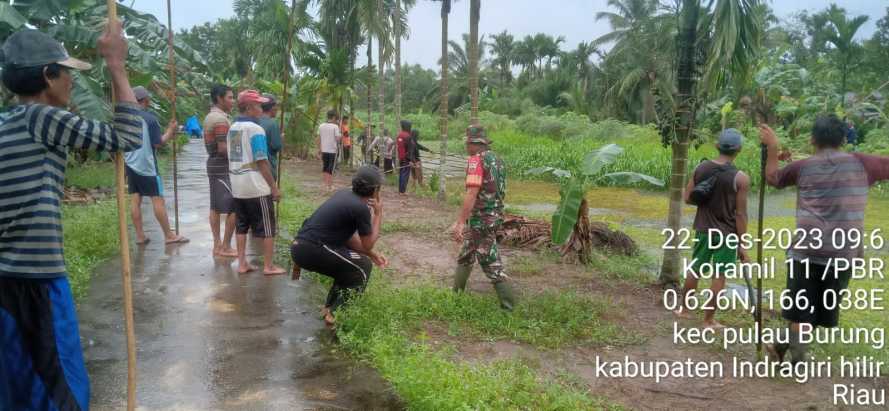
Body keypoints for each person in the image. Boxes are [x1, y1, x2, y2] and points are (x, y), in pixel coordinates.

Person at [0, 25, 143, 411]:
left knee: (17, 386)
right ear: (48, 76)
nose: (72, 83)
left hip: (7, 281)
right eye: (67, 73)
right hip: (36, 283)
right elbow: (128, 135)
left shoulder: (7, 122)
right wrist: (116, 66)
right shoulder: (39, 117)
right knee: (59, 388)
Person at [761, 115, 889, 364]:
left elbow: (773, 178)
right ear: (843, 139)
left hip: (807, 251)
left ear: (812, 139)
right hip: (843, 253)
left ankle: (792, 359)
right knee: (817, 309)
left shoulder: (804, 167)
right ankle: (786, 353)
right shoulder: (864, 164)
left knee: (801, 309)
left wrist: (773, 147)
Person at [291, 166, 388, 326]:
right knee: (362, 267)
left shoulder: (344, 194)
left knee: (350, 265)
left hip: (300, 247)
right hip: (313, 249)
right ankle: (337, 315)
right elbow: (368, 242)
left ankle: (329, 308)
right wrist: (378, 214)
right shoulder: (361, 208)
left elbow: (349, 239)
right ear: (375, 190)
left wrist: (373, 254)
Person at [673, 129, 750, 329]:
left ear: (717, 146)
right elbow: (741, 214)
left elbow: (688, 198)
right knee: (719, 275)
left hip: (703, 229)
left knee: (696, 268)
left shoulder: (701, 168)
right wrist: (743, 244)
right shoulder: (741, 178)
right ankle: (708, 320)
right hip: (727, 234)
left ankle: (684, 310)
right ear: (738, 149)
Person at [448, 126, 516, 310]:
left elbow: (472, 192)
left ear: (474, 143)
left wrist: (460, 222)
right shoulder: (497, 160)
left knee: (491, 262)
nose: (465, 145)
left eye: (467, 142)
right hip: (494, 215)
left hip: (482, 219)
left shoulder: (475, 161)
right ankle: (456, 297)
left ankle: (509, 308)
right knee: (466, 255)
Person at [227, 90, 285, 275]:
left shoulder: (233, 127)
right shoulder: (256, 130)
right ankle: (269, 266)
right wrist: (273, 187)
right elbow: (261, 160)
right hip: (256, 186)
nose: (261, 108)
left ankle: (242, 263)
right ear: (250, 107)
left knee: (242, 226)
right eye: (259, 105)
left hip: (237, 185)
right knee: (268, 227)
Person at [125, 86, 189, 245]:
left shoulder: (126, 118)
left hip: (130, 163)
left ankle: (140, 236)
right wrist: (171, 129)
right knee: (157, 199)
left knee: (135, 199)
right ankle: (169, 235)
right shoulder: (149, 119)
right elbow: (158, 143)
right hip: (147, 165)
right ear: (145, 100)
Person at [203, 84, 238, 257]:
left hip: (215, 165)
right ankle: (224, 246)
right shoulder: (220, 120)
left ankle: (218, 245)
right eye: (230, 97)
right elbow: (223, 148)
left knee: (215, 207)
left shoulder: (213, 116)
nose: (233, 101)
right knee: (235, 206)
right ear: (219, 98)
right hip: (222, 166)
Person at [258, 93, 283, 181]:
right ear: (272, 107)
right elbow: (276, 146)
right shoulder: (272, 124)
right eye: (276, 106)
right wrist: (281, 139)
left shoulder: (254, 120)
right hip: (268, 168)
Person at [317, 109, 341, 192]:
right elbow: (337, 139)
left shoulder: (321, 126)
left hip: (324, 150)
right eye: (336, 118)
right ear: (334, 117)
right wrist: (340, 135)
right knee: (331, 168)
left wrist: (319, 149)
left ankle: (325, 185)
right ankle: (330, 185)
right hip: (332, 150)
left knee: (325, 167)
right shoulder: (335, 127)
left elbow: (319, 138)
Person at [396, 120, 412, 194]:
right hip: (406, 158)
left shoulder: (399, 135)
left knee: (401, 173)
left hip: (401, 158)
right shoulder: (408, 136)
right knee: (405, 175)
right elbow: (409, 149)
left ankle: (400, 190)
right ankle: (403, 191)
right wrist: (411, 160)